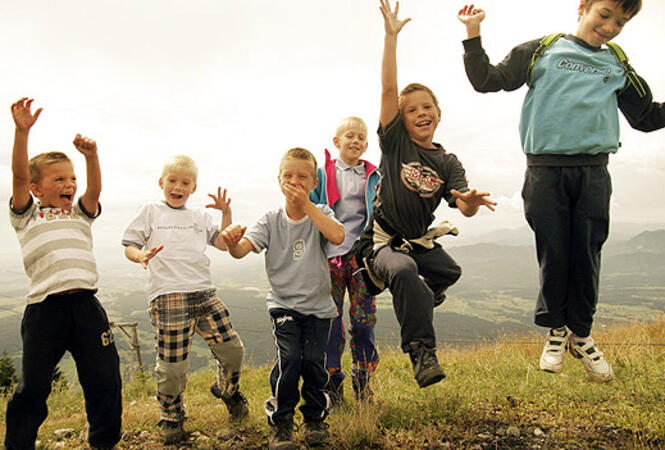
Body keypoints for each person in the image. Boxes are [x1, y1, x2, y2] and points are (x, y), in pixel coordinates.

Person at [458, 0, 665, 382]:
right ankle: (555, 332)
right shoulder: (543, 49)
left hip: (593, 172)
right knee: (554, 251)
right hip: (544, 170)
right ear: (584, 7)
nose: (610, 26)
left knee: (587, 253)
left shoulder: (617, 64)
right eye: (605, 14)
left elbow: (648, 117)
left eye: (621, 22)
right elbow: (487, 79)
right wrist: (473, 34)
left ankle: (581, 334)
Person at [355, 0, 496, 390]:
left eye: (427, 106)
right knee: (402, 271)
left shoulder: (448, 161)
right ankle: (421, 352)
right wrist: (391, 37)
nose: (420, 112)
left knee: (449, 271)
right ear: (402, 119)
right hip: (382, 243)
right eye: (411, 108)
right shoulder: (396, 144)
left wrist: (469, 202)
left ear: (438, 112)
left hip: (417, 243)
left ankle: (415, 297)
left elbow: (462, 205)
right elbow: (388, 88)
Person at [5, 98, 122, 450]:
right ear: (38, 189)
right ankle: (18, 445)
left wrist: (91, 158)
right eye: (60, 179)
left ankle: (103, 443)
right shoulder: (26, 215)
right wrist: (21, 132)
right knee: (34, 387)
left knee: (104, 379)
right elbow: (19, 175)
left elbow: (95, 191)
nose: (70, 184)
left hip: (87, 306)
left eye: (72, 178)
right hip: (45, 311)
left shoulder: (81, 215)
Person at [221, 147, 344, 450]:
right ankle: (282, 422)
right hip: (284, 304)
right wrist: (231, 240)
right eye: (288, 176)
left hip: (320, 307)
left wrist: (309, 206)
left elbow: (338, 236)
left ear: (314, 182)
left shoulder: (322, 213)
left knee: (314, 363)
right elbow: (239, 252)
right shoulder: (270, 219)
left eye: (302, 177)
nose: (294, 181)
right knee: (289, 360)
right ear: (278, 180)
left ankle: (315, 419)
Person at [121, 155, 247, 444]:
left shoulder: (200, 217)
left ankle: (227, 390)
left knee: (232, 350)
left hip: (204, 292)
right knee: (173, 365)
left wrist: (227, 214)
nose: (178, 187)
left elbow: (224, 244)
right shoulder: (150, 210)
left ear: (193, 188)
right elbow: (130, 245)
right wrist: (140, 255)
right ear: (161, 183)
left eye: (185, 182)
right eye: (173, 181)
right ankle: (171, 416)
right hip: (168, 297)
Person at [309, 116, 380, 404]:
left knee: (364, 321)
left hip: (362, 257)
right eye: (349, 136)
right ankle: (332, 382)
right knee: (331, 322)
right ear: (336, 142)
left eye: (361, 137)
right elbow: (308, 207)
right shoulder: (322, 173)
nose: (356, 141)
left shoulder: (374, 175)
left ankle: (363, 382)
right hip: (330, 257)